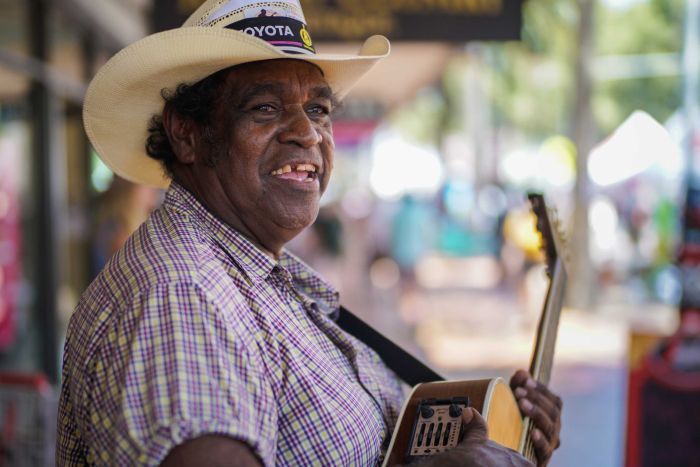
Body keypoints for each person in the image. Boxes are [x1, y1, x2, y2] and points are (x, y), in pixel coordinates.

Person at [57, 0, 562, 465]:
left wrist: (500, 440)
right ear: (187, 133)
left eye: (318, 109)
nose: (308, 132)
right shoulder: (181, 296)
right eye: (265, 108)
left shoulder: (259, 270)